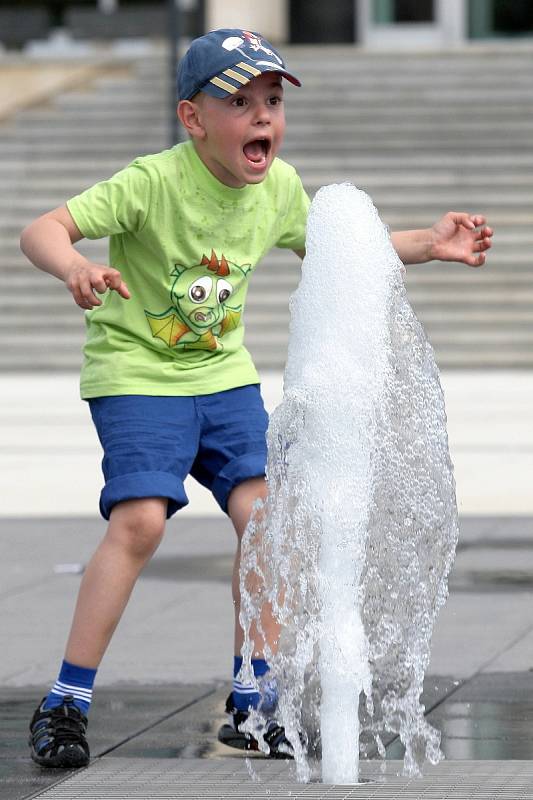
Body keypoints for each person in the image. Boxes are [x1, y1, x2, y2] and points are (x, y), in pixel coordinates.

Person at [20, 28, 493, 769]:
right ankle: (66, 700)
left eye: (270, 101)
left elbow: (348, 248)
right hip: (138, 375)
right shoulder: (151, 181)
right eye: (238, 102)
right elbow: (40, 228)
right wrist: (74, 266)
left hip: (225, 382)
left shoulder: (277, 189)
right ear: (192, 117)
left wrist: (429, 243)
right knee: (141, 521)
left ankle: (252, 700)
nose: (262, 118)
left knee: (266, 519)